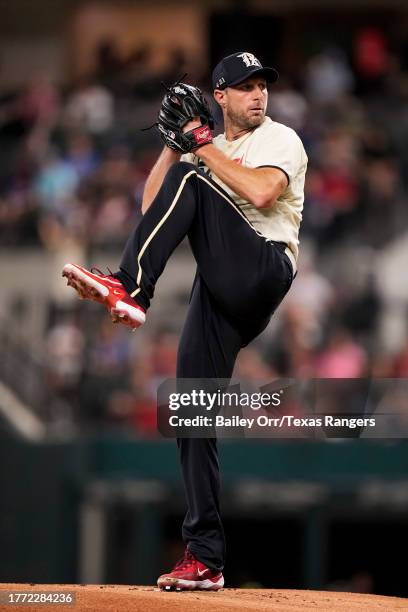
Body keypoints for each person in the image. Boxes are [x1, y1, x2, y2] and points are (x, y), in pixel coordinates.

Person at [63, 51, 308, 591]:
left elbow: (264, 191)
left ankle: (129, 287)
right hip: (220, 282)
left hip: (263, 268)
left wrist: (201, 150)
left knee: (195, 183)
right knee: (190, 409)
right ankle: (205, 558)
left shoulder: (281, 138)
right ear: (220, 97)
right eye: (244, 87)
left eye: (261, 85)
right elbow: (154, 210)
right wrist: (174, 148)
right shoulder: (208, 149)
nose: (258, 94)